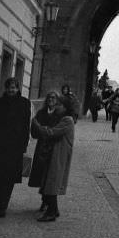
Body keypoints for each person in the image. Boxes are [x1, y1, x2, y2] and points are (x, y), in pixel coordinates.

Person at [0, 78, 31, 217]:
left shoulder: (24, 103)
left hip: (15, 146)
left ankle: (2, 206)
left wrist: (24, 145)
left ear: (18, 89)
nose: (12, 90)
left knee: (9, 177)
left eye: (14, 87)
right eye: (9, 87)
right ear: (5, 88)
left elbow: (26, 126)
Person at [28, 91, 74, 222]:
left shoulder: (67, 120)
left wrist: (37, 124)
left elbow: (51, 132)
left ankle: (51, 212)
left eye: (59, 105)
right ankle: (54, 209)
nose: (57, 107)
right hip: (53, 153)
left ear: (64, 107)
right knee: (48, 180)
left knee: (52, 182)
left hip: (59, 155)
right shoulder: (64, 119)